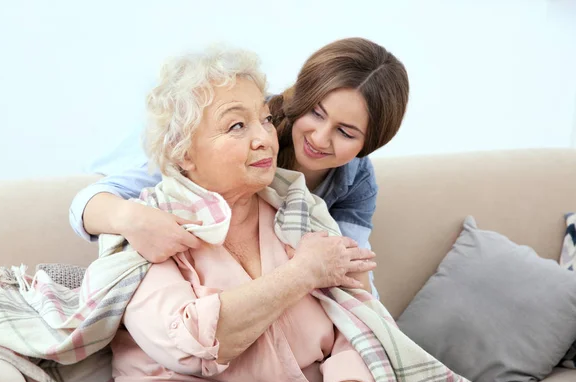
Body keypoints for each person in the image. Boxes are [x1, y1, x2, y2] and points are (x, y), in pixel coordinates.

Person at [109, 46, 378, 382]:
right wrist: (304, 272)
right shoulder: (151, 227)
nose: (264, 138)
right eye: (237, 125)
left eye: (265, 120)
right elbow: (187, 344)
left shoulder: (303, 209)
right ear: (183, 152)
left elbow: (360, 326)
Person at [69, 37, 410, 295]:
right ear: (301, 96)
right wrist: (133, 219)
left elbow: (353, 270)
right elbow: (90, 201)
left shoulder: (355, 179)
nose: (320, 138)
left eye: (345, 132)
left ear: (369, 142)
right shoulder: (247, 127)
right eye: (316, 113)